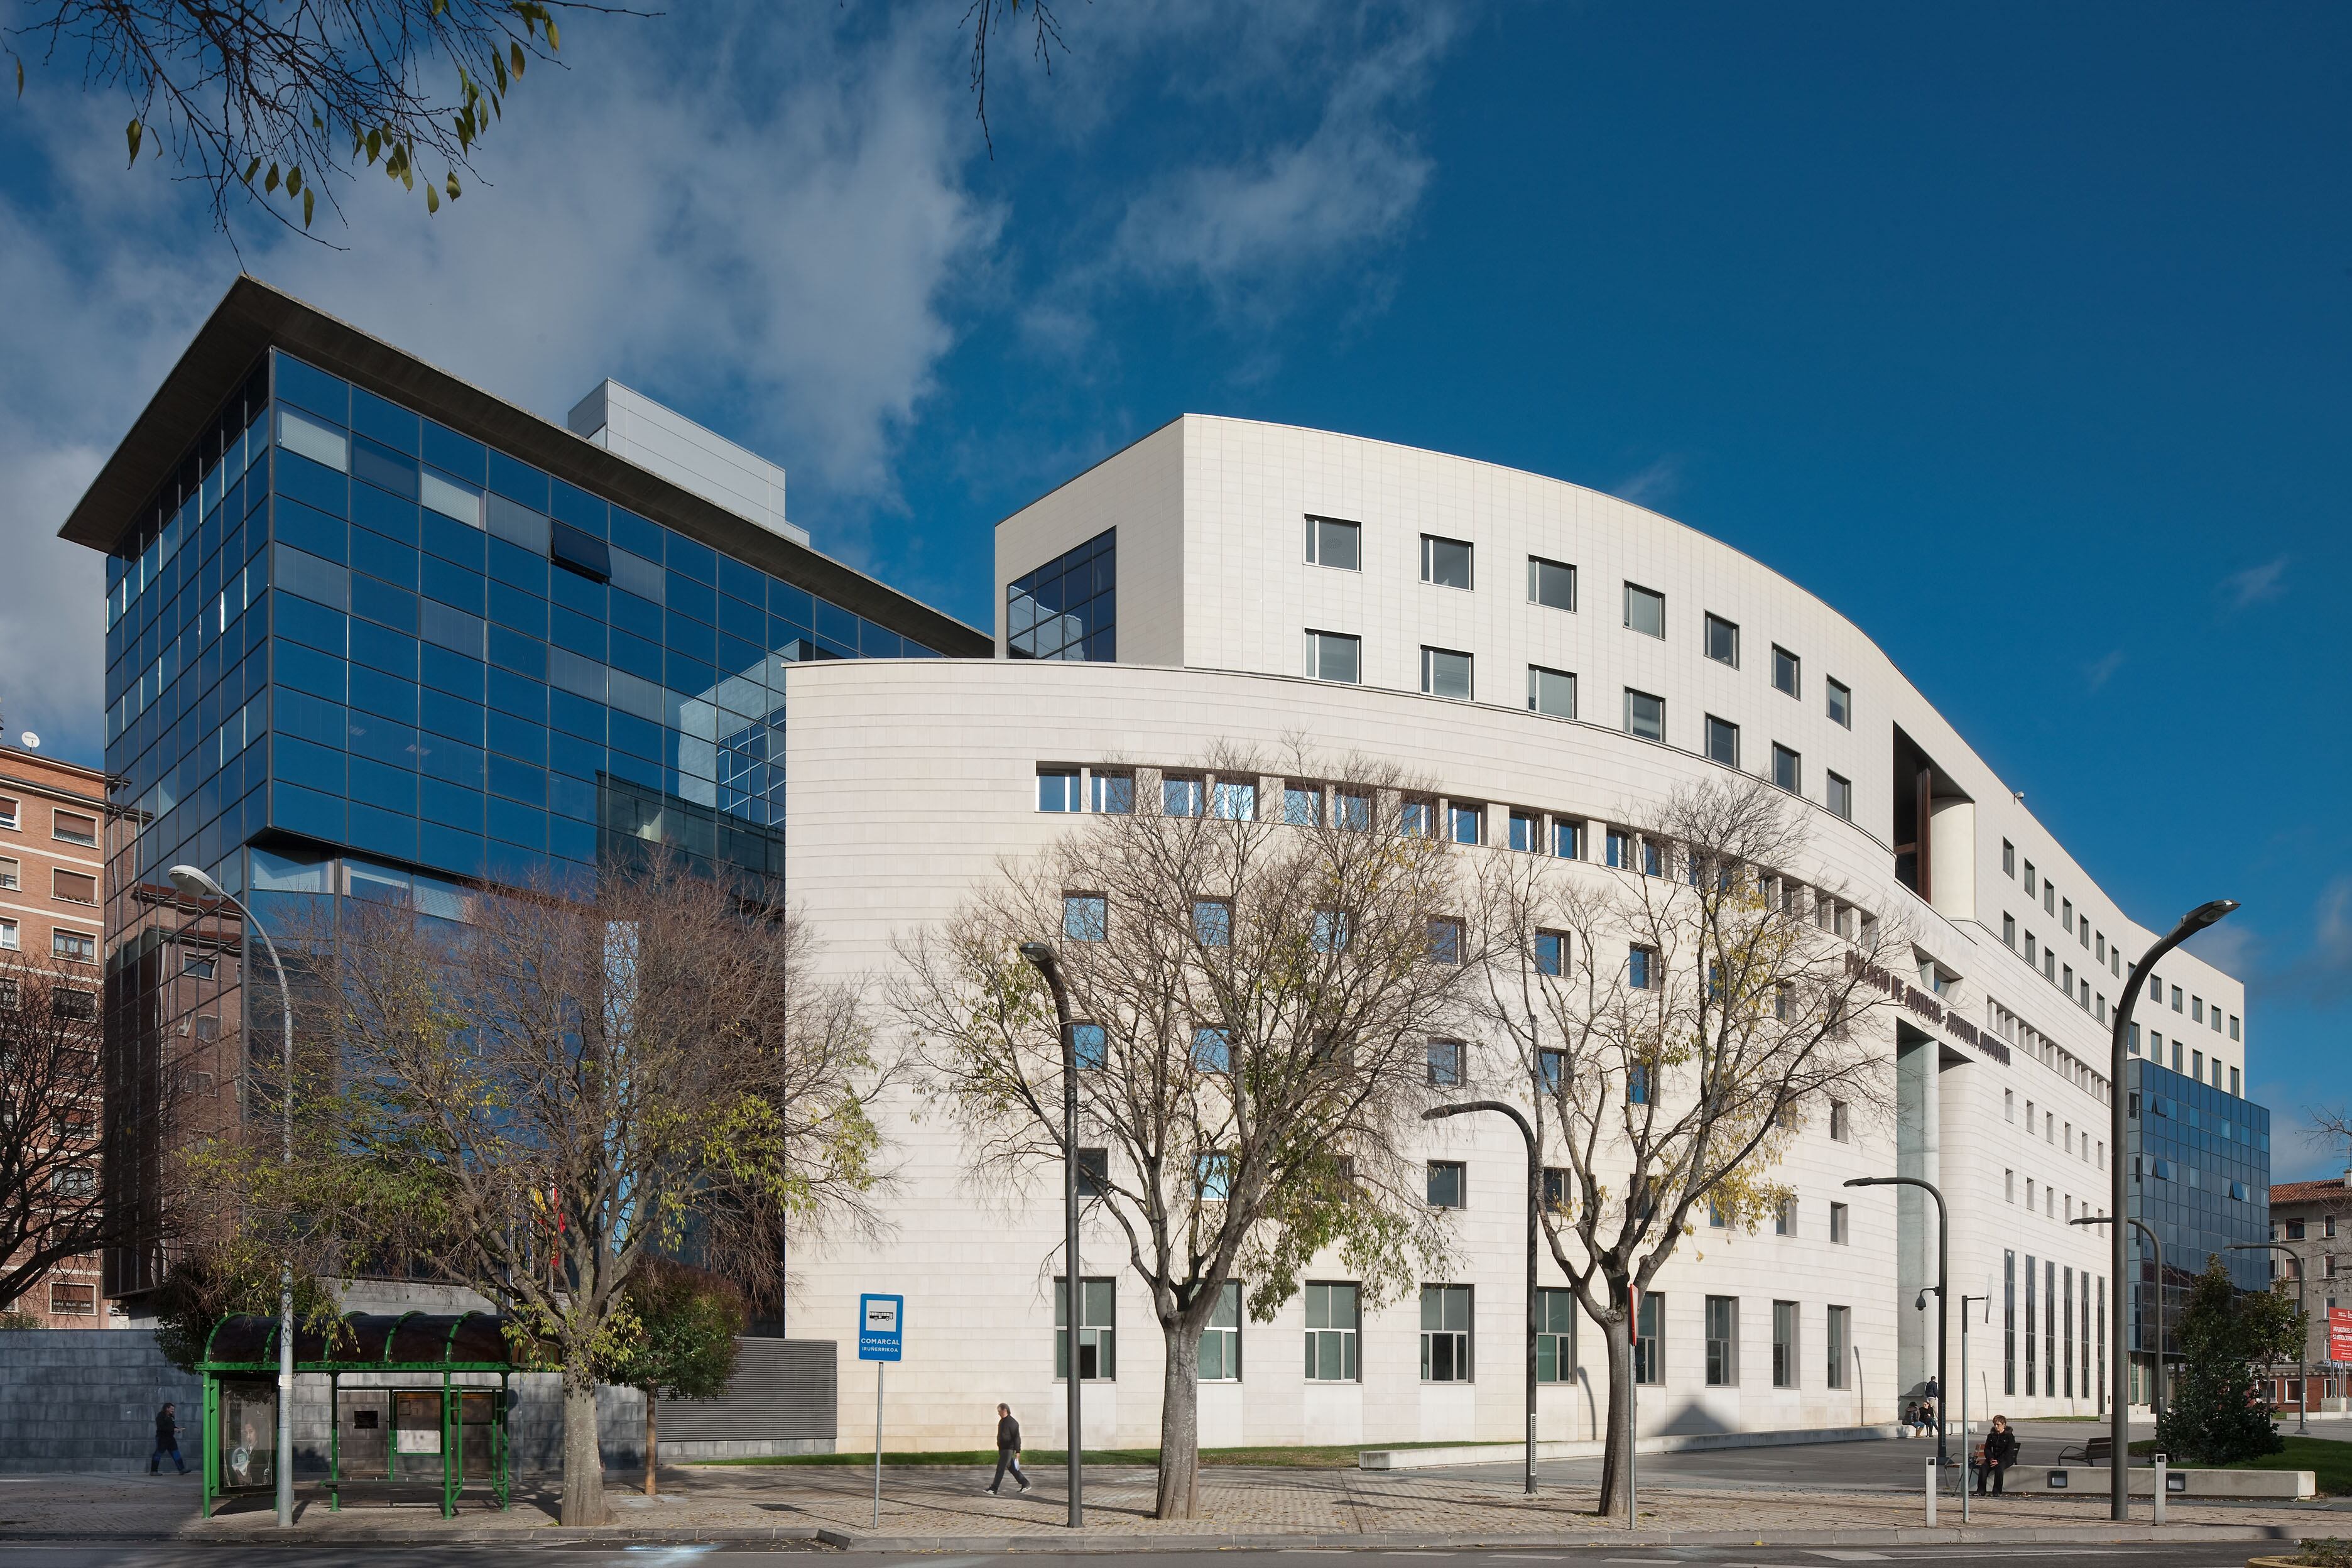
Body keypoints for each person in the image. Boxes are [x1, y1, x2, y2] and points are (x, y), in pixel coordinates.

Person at [986, 1403, 1030, 1495]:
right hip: (1003, 1449)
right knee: (1012, 1469)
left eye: (999, 1411)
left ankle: (994, 1489)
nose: (998, 1413)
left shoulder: (1012, 1422)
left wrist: (1018, 1451)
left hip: (1008, 1449)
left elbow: (1017, 1437)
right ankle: (1025, 1483)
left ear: (1005, 1410)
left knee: (1000, 1468)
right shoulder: (1002, 1421)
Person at [1974, 1414, 2019, 1496]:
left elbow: (2009, 1451)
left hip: (2005, 1460)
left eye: (1998, 1424)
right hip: (1993, 1459)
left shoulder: (2010, 1437)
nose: (1996, 1426)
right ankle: (1981, 1491)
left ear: (2004, 1425)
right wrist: (1991, 1459)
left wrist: (1998, 1461)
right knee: (1983, 1468)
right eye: (1995, 1424)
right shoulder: (1991, 1436)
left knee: (1999, 1469)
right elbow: (1987, 1449)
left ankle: (1997, 1491)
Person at [150, 1403, 187, 1475]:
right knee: (158, 1454)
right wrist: (173, 1429)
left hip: (170, 1438)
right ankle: (153, 1471)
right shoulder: (160, 1416)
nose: (173, 1410)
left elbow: (172, 1426)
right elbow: (161, 1427)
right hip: (162, 1438)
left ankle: (182, 1469)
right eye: (171, 1409)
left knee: (176, 1453)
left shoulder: (171, 1416)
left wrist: (177, 1429)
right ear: (167, 1408)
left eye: (173, 1409)